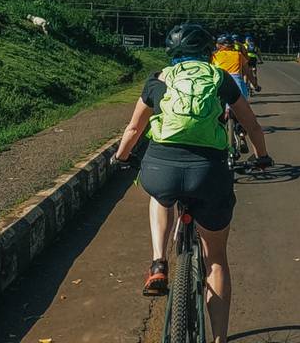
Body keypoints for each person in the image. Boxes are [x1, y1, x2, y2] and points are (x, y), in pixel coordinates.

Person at [113, 23, 270, 343]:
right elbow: (251, 125)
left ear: (171, 53)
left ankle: (159, 261)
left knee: (158, 194)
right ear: (208, 52)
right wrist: (262, 157)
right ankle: (219, 339)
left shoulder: (157, 80)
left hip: (162, 167)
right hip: (209, 172)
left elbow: (132, 131)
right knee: (216, 259)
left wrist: (121, 158)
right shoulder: (219, 79)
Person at [212, 35, 252, 102]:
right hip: (237, 82)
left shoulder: (214, 56)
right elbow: (248, 72)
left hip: (220, 84)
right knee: (242, 110)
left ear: (218, 45)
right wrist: (255, 85)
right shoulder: (239, 53)